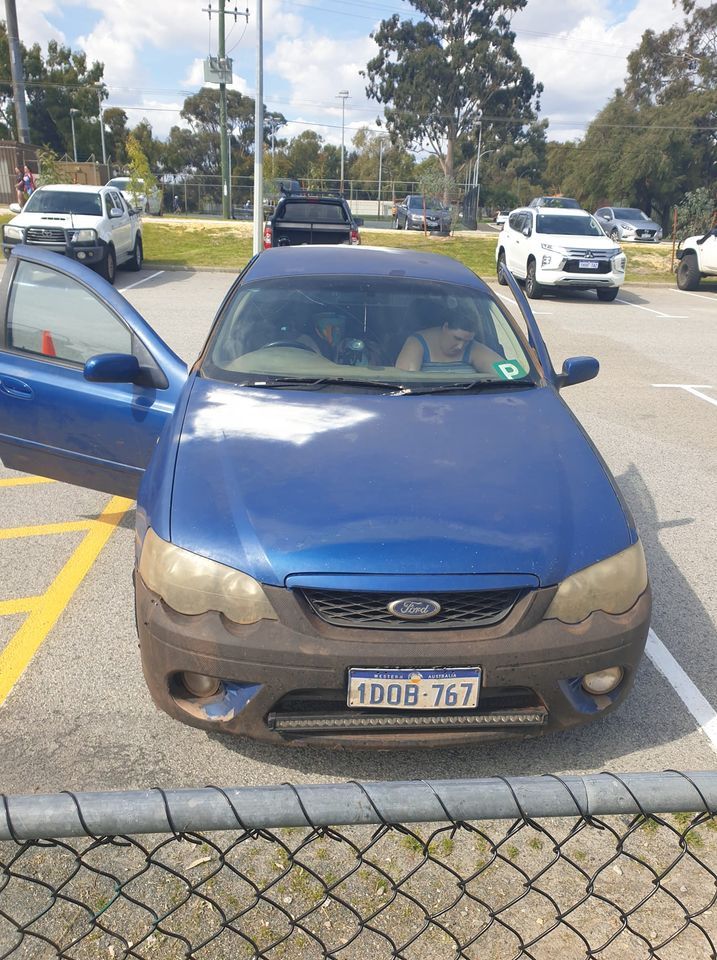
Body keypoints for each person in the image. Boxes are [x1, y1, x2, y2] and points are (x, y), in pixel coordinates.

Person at [395, 306, 503, 374]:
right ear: (445, 327)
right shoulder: (416, 343)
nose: (461, 346)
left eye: (467, 341)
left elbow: (509, 374)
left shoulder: (472, 348)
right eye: (457, 338)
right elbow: (405, 382)